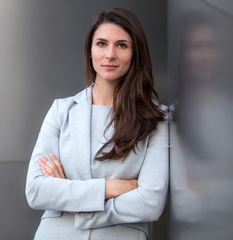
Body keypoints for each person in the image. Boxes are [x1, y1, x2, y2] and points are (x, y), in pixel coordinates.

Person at [25, 8, 168, 240]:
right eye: (101, 43)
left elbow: (149, 202)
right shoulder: (61, 111)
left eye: (122, 45)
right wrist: (109, 188)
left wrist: (72, 201)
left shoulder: (157, 119)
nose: (110, 54)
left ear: (135, 53)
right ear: (90, 51)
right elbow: (36, 190)